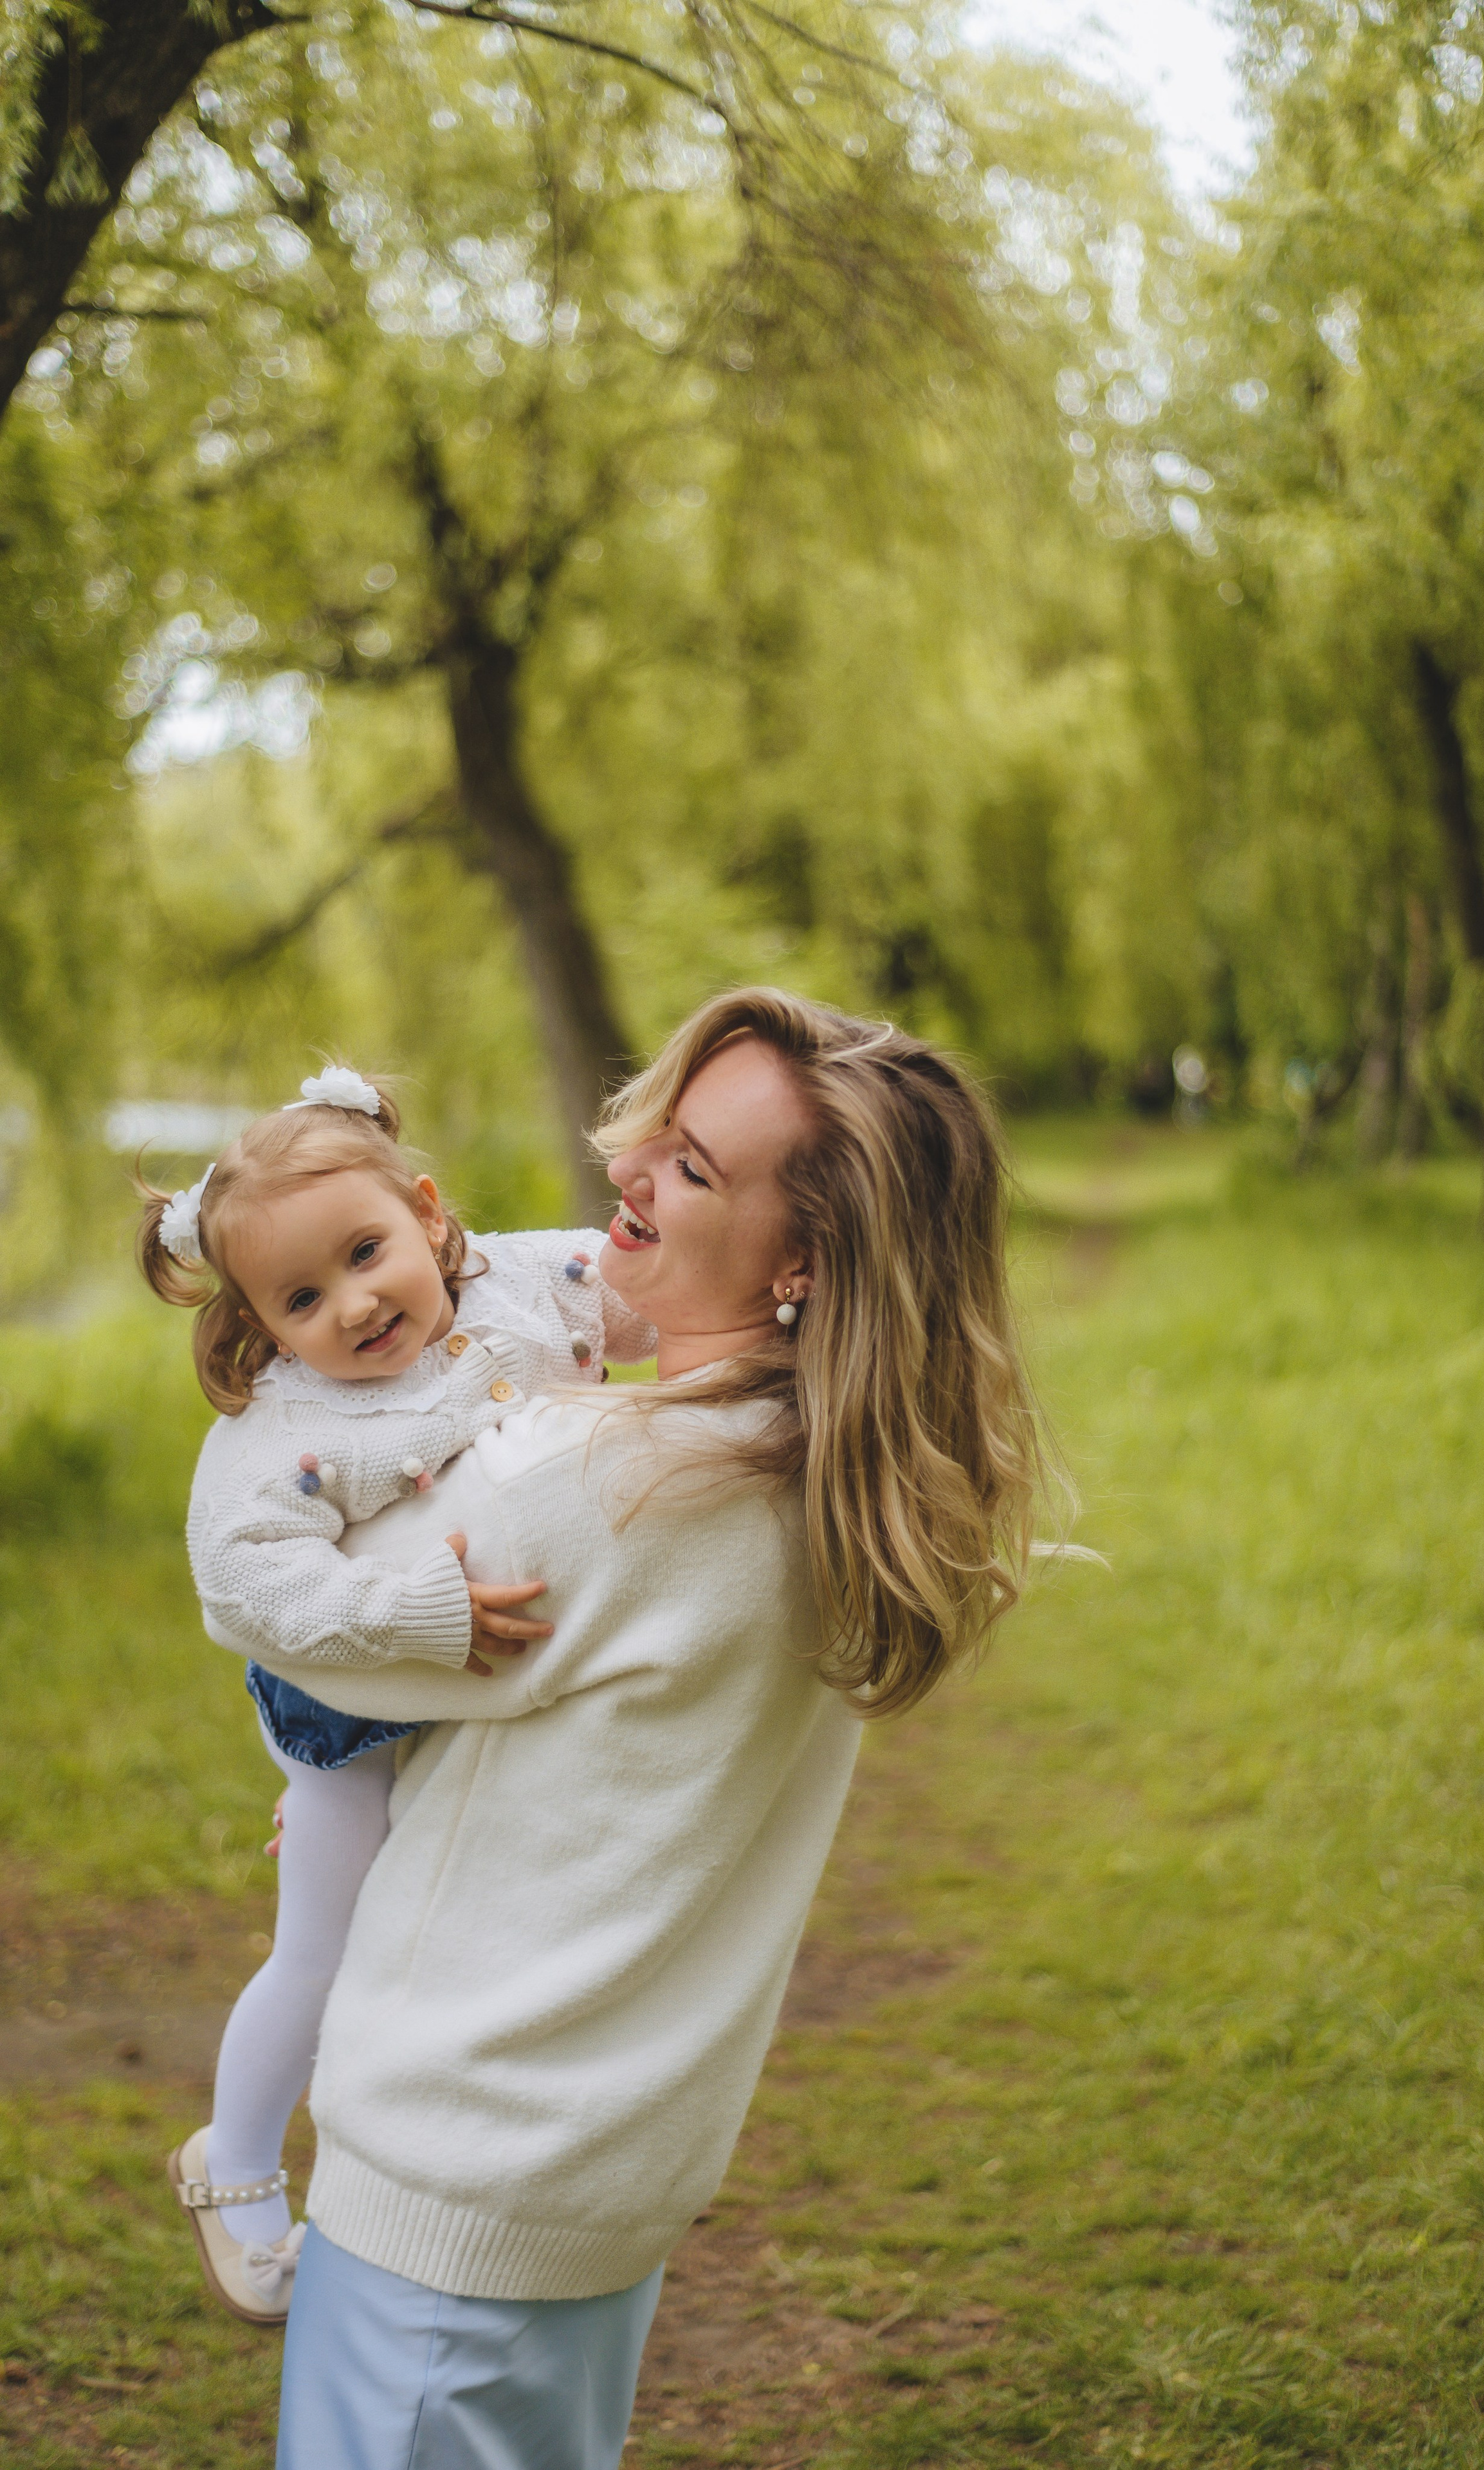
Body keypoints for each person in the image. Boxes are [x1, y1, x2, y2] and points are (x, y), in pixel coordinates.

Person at [238, 987, 1050, 2470]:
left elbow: (297, 1633)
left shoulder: (605, 1485)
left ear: (804, 1258)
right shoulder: (818, 1469)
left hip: (458, 2178)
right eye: (658, 1132)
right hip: (602, 2169)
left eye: (693, 1168)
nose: (630, 1172)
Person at [136, 1065, 654, 2323]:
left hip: (481, 1712)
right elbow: (246, 1585)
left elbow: (649, 1297)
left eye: (367, 1252)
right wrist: (415, 1613)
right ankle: (238, 2163)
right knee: (321, 1947)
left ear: (428, 1212)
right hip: (350, 1720)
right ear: (263, 1323)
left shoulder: (527, 1281)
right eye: (302, 1298)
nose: (355, 1306)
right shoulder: (286, 1430)